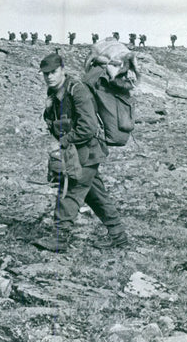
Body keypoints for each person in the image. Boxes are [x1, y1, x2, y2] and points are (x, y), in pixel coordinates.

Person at [33, 53, 128, 252]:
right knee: (96, 195)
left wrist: (65, 141)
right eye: (45, 74)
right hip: (78, 153)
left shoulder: (78, 90)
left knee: (69, 192)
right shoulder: (53, 94)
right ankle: (118, 236)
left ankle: (60, 239)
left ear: (62, 70)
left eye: (53, 72)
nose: (49, 77)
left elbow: (89, 127)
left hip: (87, 153)